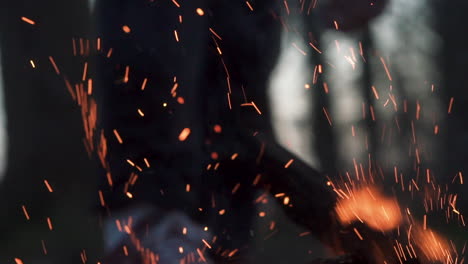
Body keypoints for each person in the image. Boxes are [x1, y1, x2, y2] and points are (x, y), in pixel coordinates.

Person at [94, 0, 389, 263]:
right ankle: (154, 223)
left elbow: (240, 114)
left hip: (219, 211)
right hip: (159, 212)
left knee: (240, 62)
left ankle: (221, 234)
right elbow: (145, 62)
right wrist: (148, 200)